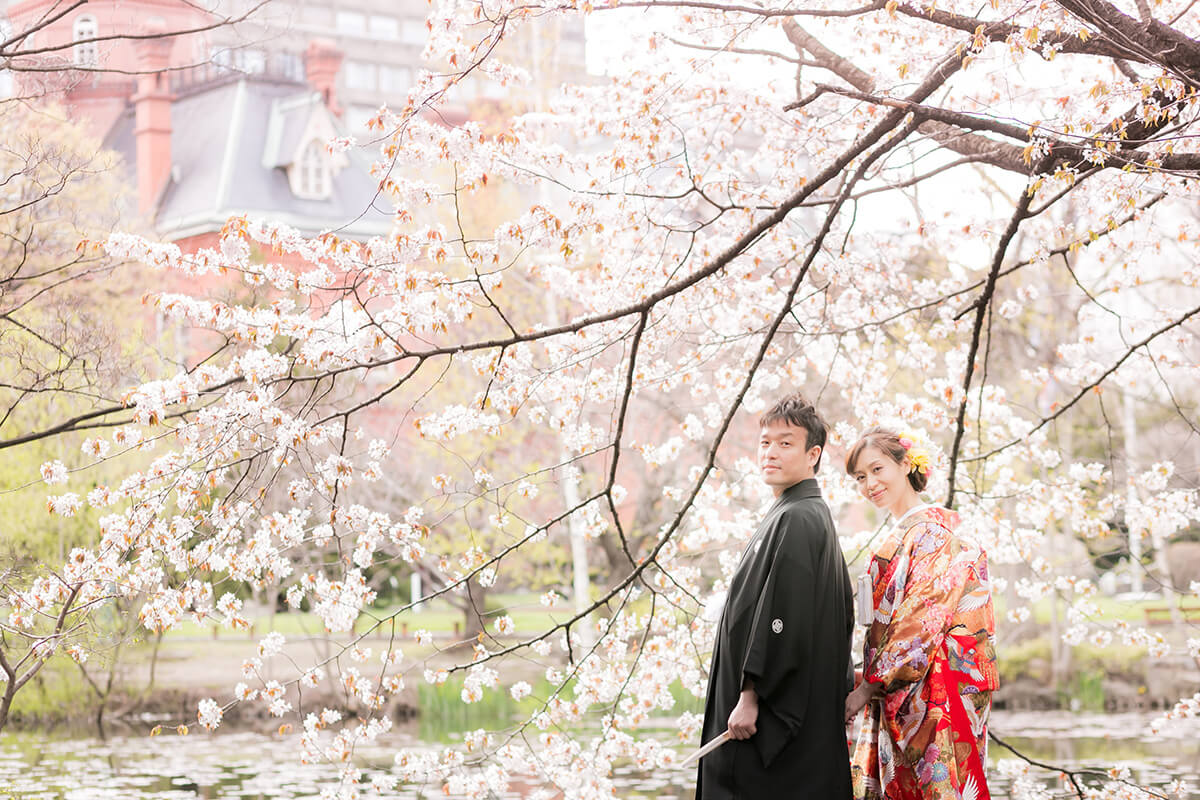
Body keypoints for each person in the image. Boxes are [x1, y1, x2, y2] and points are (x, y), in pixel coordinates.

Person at [695, 393, 854, 799]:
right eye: (765, 442)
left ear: (813, 453)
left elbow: (784, 618)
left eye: (785, 443)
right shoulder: (791, 512)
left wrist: (750, 695)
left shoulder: (799, 517)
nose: (770, 452)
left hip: (765, 712)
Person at [843, 428, 999, 800]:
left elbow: (920, 619)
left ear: (905, 464)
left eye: (878, 469)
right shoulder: (910, 531)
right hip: (912, 680)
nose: (869, 484)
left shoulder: (930, 532)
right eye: (860, 478)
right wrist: (871, 675)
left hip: (935, 686)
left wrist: (870, 685)